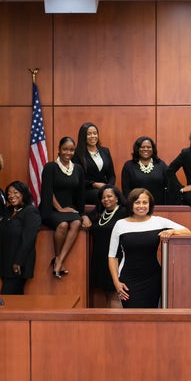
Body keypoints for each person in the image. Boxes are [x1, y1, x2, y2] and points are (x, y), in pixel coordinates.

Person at [108, 188, 191, 308]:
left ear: (150, 204)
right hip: (128, 279)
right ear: (131, 204)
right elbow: (112, 256)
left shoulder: (159, 222)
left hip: (153, 279)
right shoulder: (120, 224)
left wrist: (172, 231)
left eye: (144, 202)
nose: (141, 206)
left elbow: (187, 231)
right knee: (132, 318)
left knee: (152, 317)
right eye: (137, 202)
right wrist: (116, 282)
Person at [40, 136, 91, 279]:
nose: (68, 152)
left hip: (69, 209)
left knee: (76, 222)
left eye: (71, 150)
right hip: (50, 208)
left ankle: (59, 260)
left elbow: (80, 194)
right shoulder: (50, 167)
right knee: (62, 225)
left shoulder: (78, 169)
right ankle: (57, 258)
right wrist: (60, 209)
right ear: (59, 150)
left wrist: (82, 213)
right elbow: (47, 191)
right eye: (65, 149)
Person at [0, 181, 41, 295]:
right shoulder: (8, 211)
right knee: (15, 299)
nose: (11, 196)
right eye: (9, 194)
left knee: (7, 297)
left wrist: (19, 261)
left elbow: (29, 239)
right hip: (5, 261)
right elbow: (2, 238)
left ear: (23, 194)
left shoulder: (31, 211)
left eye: (15, 192)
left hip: (19, 263)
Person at [88, 185, 128, 307]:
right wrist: (84, 217)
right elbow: (84, 215)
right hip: (100, 258)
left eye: (109, 196)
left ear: (117, 198)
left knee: (117, 293)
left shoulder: (124, 212)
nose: (106, 199)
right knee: (108, 293)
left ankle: (118, 325)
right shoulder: (99, 213)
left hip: (117, 258)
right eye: (103, 197)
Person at [73, 122, 116, 204]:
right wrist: (95, 184)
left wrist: (109, 187)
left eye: (95, 133)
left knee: (118, 196)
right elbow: (77, 178)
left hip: (105, 189)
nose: (93, 136)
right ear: (83, 136)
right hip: (86, 190)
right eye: (89, 134)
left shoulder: (105, 151)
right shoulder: (76, 153)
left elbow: (111, 175)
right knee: (101, 196)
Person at [121, 136, 168, 205]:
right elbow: (126, 190)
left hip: (158, 206)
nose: (146, 149)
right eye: (142, 147)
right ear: (137, 149)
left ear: (153, 149)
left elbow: (170, 185)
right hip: (137, 207)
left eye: (149, 147)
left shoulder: (161, 165)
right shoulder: (129, 166)